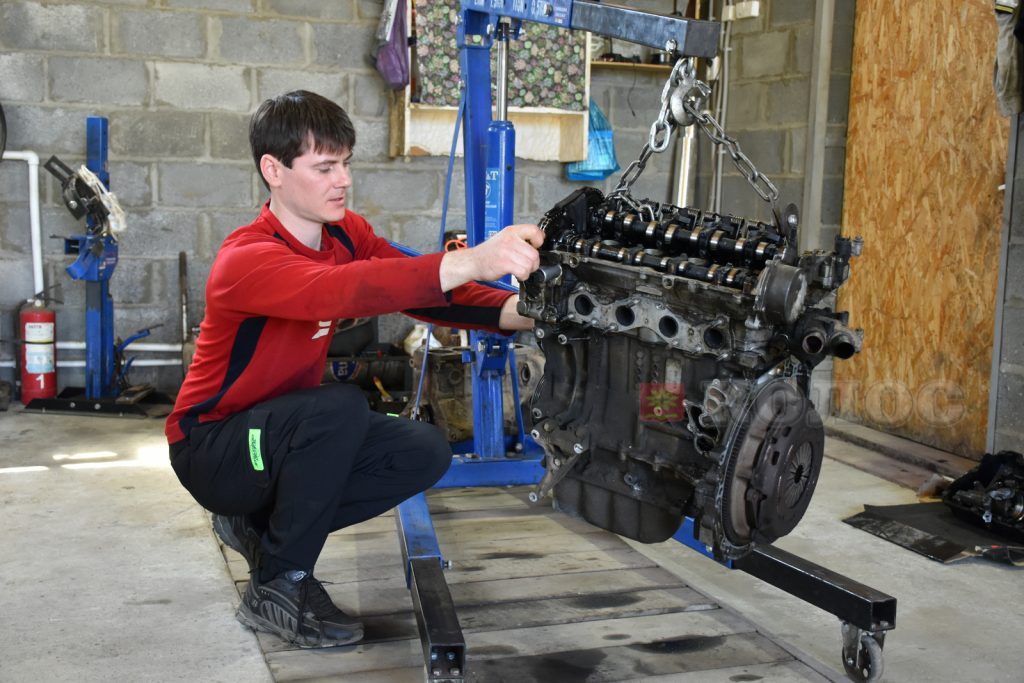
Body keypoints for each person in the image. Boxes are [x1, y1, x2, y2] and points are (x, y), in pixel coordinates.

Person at [165, 90, 543, 648]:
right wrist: (476, 258)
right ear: (273, 170)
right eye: (324, 167)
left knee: (423, 450)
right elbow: (342, 289)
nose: (342, 180)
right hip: (215, 448)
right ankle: (280, 584)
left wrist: (521, 311)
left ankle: (262, 529)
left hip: (278, 438)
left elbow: (420, 286)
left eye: (345, 163)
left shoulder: (345, 233)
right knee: (337, 408)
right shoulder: (246, 259)